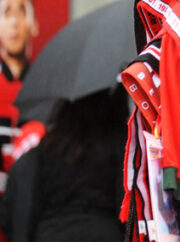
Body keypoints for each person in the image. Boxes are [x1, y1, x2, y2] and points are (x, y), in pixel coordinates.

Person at [0, 87, 128, 242]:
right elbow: (126, 202)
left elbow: (18, 207)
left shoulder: (48, 148)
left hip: (52, 232)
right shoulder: (119, 145)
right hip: (104, 232)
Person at [0, 0, 38, 82]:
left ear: (34, 24)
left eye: (21, 13)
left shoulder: (41, 82)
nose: (14, 22)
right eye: (7, 13)